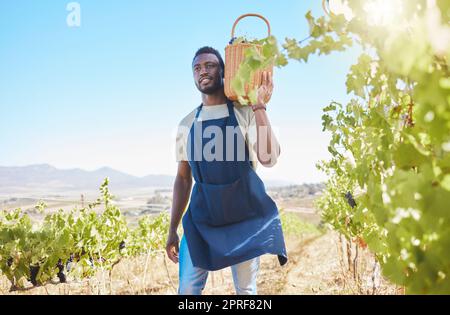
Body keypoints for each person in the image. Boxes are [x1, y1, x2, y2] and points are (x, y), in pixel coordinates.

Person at [166, 46, 287, 295]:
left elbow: (269, 158)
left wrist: (259, 106)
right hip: (202, 218)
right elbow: (182, 179)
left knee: (245, 290)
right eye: (197, 68)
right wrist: (172, 229)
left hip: (244, 216)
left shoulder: (246, 112)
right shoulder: (186, 124)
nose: (203, 71)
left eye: (209, 65)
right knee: (187, 288)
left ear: (224, 71)